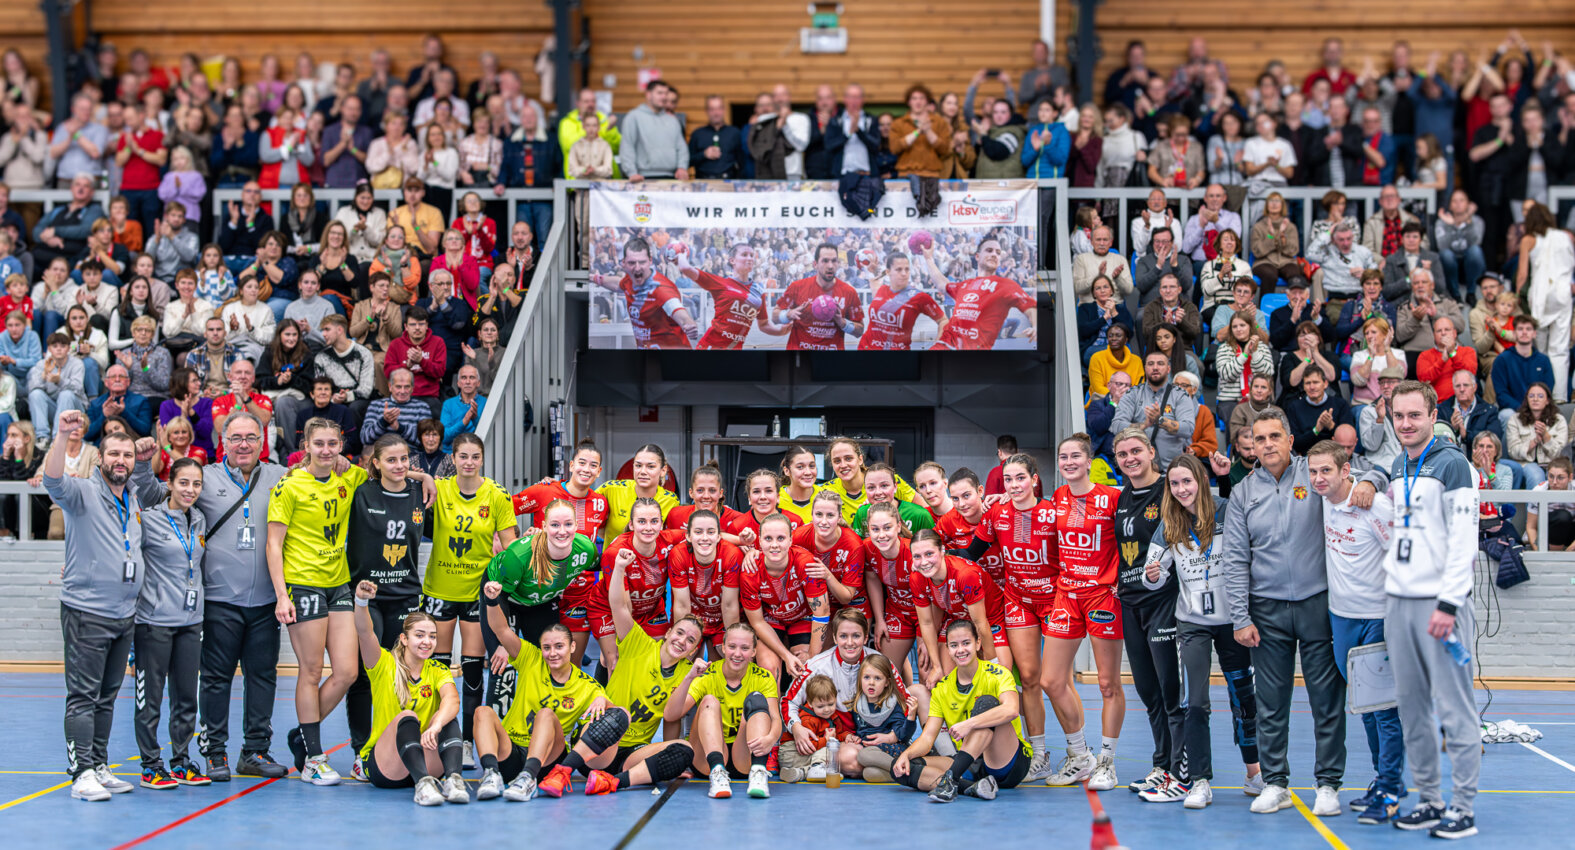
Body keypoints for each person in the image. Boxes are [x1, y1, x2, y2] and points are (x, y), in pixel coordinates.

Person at [1221, 407, 1384, 816]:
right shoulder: (1243, 492)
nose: (1268, 445)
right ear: (1251, 446)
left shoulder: (1313, 474)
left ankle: (1328, 783)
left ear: (1291, 441)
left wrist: (1366, 479)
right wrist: (1240, 617)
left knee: (1326, 699)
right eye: (1259, 439)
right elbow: (1236, 559)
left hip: (1318, 605)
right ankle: (1274, 783)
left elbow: (1376, 470)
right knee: (1270, 704)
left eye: (1275, 436)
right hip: (1267, 611)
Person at [1381, 380, 1482, 839]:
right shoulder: (1400, 464)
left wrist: (1448, 603)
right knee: (1412, 709)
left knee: (1454, 708)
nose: (1405, 424)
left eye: (1413, 415)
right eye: (1398, 416)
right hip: (1398, 603)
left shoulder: (1454, 464)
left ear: (1431, 413)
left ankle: (1463, 807)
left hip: (1440, 607)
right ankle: (1429, 798)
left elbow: (1464, 545)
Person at [1139, 453, 1263, 808]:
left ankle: (1254, 774)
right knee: (1195, 702)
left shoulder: (1226, 510)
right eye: (1174, 483)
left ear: (1201, 481)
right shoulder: (1169, 523)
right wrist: (1154, 575)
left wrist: (1229, 476)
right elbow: (1155, 572)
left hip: (1233, 622)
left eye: (1187, 482)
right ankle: (1199, 781)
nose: (1181, 489)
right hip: (1192, 624)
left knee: (1244, 699)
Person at [267, 417, 374, 785]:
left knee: (347, 671)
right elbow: (273, 544)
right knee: (311, 670)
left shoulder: (350, 478)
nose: (326, 451)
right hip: (303, 584)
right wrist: (283, 595)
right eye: (319, 445)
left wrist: (426, 479)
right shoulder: (290, 485)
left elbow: (386, 472)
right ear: (306, 447)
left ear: (341, 445)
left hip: (339, 583)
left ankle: (302, 734)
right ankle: (313, 757)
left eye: (332, 444)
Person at [1306, 440, 1407, 824]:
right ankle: (1381, 779)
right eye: (1313, 472)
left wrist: (1372, 481)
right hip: (1340, 618)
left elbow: (1402, 554)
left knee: (1384, 711)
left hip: (1377, 617)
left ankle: (1392, 787)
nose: (1318, 478)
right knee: (1364, 708)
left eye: (1326, 471)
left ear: (1345, 471)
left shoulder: (1373, 505)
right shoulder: (1318, 501)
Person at [45, 412, 142, 801]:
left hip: (124, 614)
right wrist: (62, 435)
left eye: (128, 455)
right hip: (87, 611)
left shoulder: (132, 498)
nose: (121, 460)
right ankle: (80, 771)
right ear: (100, 458)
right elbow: (53, 479)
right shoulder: (83, 491)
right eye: (114, 453)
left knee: (107, 695)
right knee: (83, 696)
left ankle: (98, 764)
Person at [949, 454, 1054, 780]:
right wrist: (934, 553)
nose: (1014, 485)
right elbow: (967, 553)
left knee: (1045, 680)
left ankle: (1056, 751)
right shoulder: (989, 516)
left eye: (1020, 478)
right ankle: (1008, 748)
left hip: (1040, 602)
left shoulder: (1040, 512)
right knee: (1006, 679)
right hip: (1007, 607)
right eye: (1008, 480)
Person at [419, 433, 518, 763]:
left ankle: (465, 743)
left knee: (474, 669)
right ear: (454, 458)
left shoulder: (496, 495)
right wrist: (422, 476)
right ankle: (440, 735)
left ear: (482, 459)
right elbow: (402, 474)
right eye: (463, 456)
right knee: (440, 668)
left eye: (475, 456)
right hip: (440, 589)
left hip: (478, 590)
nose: (469, 462)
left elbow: (511, 546)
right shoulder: (440, 487)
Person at [470, 591, 614, 802]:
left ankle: (528, 778)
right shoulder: (531, 659)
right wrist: (491, 600)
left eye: (559, 646)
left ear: (572, 647)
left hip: (547, 760)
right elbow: (501, 629)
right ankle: (491, 774)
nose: (552, 653)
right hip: (512, 749)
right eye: (546, 647)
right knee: (483, 711)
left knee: (545, 714)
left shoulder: (588, 686)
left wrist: (604, 700)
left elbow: (616, 717)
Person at [342, 435, 427, 768]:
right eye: (391, 460)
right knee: (367, 673)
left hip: (405, 595)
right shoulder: (361, 492)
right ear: (375, 463)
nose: (399, 466)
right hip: (367, 596)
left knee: (402, 675)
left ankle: (397, 746)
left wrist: (425, 477)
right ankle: (362, 751)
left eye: (404, 459)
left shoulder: (420, 493)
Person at [126, 453, 210, 789]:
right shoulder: (148, 520)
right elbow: (124, 551)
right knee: (151, 699)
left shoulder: (200, 520)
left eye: (196, 484)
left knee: (187, 696)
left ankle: (181, 761)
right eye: (184, 483)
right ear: (170, 485)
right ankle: (150, 765)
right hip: (153, 621)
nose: (190, 490)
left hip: (191, 621)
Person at [348, 582, 465, 805]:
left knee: (448, 717)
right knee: (407, 717)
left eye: (432, 636)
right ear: (404, 639)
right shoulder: (384, 664)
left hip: (426, 757)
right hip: (387, 767)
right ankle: (421, 784)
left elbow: (452, 699)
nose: (427, 642)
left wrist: (437, 725)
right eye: (420, 635)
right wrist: (361, 602)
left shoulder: (438, 670)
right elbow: (364, 632)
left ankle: (453, 779)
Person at [891, 619, 1030, 802]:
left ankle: (951, 780)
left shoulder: (997, 674)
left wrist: (969, 724)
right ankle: (972, 787)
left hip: (1007, 761)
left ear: (977, 643)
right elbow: (927, 738)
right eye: (954, 645)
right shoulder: (943, 688)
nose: (961, 650)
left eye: (966, 643)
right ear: (948, 649)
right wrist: (906, 754)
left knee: (986, 703)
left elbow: (1011, 709)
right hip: (970, 763)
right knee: (902, 767)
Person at [662, 622, 779, 799]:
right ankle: (718, 773)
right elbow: (670, 715)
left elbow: (776, 719)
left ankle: (758, 772)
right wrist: (689, 677)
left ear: (754, 652)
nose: (737, 653)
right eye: (732, 646)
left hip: (744, 756)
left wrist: (770, 739)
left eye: (745, 648)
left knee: (756, 698)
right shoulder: (708, 674)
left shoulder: (763, 677)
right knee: (709, 700)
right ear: (723, 648)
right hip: (707, 760)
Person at [909, 529, 1010, 680]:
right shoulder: (917, 578)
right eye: (917, 556)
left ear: (942, 551)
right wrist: (936, 666)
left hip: (991, 618)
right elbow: (927, 623)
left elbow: (980, 623)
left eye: (929, 554)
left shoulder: (965, 574)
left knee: (1000, 675)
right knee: (946, 677)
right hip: (957, 619)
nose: (924, 562)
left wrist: (991, 663)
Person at [921, 236, 1037, 350]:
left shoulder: (1006, 285)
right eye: (989, 250)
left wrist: (1036, 325)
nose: (994, 254)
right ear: (977, 256)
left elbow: (1031, 307)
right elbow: (942, 284)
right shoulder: (965, 285)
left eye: (998, 253)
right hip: (944, 346)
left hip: (973, 354)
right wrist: (928, 259)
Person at [590, 237, 701, 349]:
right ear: (623, 263)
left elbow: (679, 312)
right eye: (632, 263)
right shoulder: (629, 280)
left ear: (650, 261)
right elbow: (617, 284)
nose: (637, 268)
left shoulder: (661, 289)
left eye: (642, 262)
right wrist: (592, 277)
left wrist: (688, 324)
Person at [1515, 203, 1574, 401]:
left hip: (1540, 294)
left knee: (1538, 347)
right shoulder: (1564, 237)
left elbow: (1523, 273)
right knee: (1560, 348)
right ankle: (1559, 397)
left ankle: (1539, 395)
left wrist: (1517, 295)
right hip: (1563, 292)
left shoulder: (1529, 239)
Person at [1112, 350, 1197, 469]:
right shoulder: (1132, 394)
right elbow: (1116, 426)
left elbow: (1188, 429)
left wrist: (1161, 420)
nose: (1155, 367)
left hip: (1171, 469)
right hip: (1137, 467)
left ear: (1168, 369)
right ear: (1145, 368)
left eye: (1160, 364)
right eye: (1151, 364)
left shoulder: (1181, 395)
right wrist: (1144, 425)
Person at [618, 80, 689, 182]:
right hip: (641, 178)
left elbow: (682, 148)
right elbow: (627, 147)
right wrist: (631, 172)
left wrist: (682, 167)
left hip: (671, 178)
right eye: (660, 93)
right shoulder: (633, 117)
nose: (664, 97)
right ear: (648, 95)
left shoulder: (673, 120)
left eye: (666, 93)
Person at [27, 333, 86, 447]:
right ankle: (42, 437)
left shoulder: (77, 364)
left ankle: (57, 438)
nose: (59, 349)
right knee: (36, 394)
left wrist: (60, 381)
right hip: (54, 409)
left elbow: (78, 389)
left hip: (75, 409)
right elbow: (32, 389)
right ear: (49, 349)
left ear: (68, 348)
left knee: (66, 394)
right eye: (55, 346)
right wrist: (44, 375)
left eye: (63, 346)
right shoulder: (41, 364)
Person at [1505, 381, 1567, 488]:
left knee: (1558, 476)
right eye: (1531, 396)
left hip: (1552, 464)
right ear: (1527, 399)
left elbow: (1560, 453)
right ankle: (1534, 505)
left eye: (1540, 396)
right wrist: (1534, 442)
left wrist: (1546, 437)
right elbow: (1512, 451)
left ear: (1547, 400)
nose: (1535, 399)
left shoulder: (1559, 420)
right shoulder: (1515, 419)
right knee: (1536, 475)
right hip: (1525, 464)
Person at [1525, 457, 1575, 551]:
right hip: (1548, 533)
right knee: (1562, 516)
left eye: (1560, 477)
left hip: (1571, 535)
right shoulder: (1538, 491)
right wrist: (1538, 551)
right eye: (1551, 476)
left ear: (1570, 477)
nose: (1554, 482)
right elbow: (1531, 527)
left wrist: (1569, 551)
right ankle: (1554, 553)